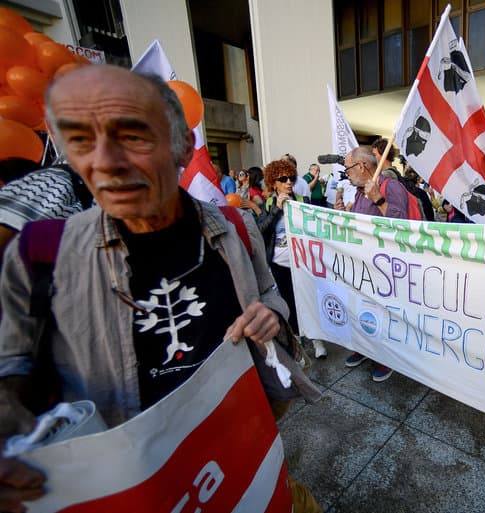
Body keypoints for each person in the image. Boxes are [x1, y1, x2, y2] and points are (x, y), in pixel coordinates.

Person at [0, 65, 321, 513]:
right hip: (133, 479)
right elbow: (11, 364)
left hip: (239, 438)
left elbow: (270, 294)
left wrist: (271, 316)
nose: (105, 162)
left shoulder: (235, 226)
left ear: (183, 146)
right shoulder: (40, 253)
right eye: (83, 142)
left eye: (133, 136)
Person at [335, 146, 410, 382]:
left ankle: (386, 358)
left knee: (384, 314)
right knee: (362, 309)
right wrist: (342, 215)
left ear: (361, 166)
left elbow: (403, 226)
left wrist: (378, 198)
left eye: (348, 168)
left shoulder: (391, 187)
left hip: (385, 268)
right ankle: (365, 348)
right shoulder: (359, 192)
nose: (346, 173)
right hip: (363, 265)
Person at [257, 159, 326, 359]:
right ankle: (298, 341)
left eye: (291, 178)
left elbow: (315, 227)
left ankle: (317, 339)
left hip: (302, 262)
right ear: (273, 183)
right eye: (283, 179)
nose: (289, 182)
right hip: (280, 264)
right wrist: (276, 209)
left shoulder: (302, 201)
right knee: (289, 302)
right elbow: (261, 230)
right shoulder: (269, 204)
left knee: (308, 300)